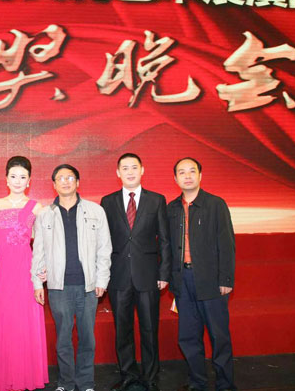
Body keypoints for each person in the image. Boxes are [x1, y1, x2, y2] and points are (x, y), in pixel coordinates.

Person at [31, 164, 112, 391]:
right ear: (54, 184)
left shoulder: (96, 211)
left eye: (70, 178)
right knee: (63, 338)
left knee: (87, 338)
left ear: (77, 182)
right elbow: (38, 252)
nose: (65, 182)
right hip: (58, 287)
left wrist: (102, 280)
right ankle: (66, 383)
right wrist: (37, 282)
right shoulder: (45, 215)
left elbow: (104, 249)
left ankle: (86, 382)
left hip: (88, 286)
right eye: (60, 178)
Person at [101, 153, 170, 391]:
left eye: (134, 167)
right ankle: (128, 375)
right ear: (117, 173)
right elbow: (103, 241)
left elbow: (165, 240)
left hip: (148, 275)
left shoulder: (156, 200)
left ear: (142, 170)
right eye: (125, 168)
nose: (130, 172)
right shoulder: (108, 201)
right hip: (118, 275)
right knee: (123, 329)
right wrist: (103, 274)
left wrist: (164, 273)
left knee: (150, 328)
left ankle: (150, 377)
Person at [167, 157, 236, 391]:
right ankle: (198, 383)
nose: (187, 176)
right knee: (188, 337)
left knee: (219, 336)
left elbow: (226, 243)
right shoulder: (171, 209)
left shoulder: (215, 204)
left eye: (192, 171)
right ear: (175, 178)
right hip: (182, 281)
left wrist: (226, 278)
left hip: (211, 280)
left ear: (200, 175)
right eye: (182, 172)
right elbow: (167, 247)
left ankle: (225, 384)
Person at [0, 156, 48, 391]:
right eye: (13, 176)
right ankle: (4, 374)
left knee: (24, 321)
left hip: (25, 272)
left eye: (23, 177)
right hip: (1, 272)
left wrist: (43, 269)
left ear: (29, 180)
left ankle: (26, 375)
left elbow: (43, 244)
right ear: (6, 179)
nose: (18, 181)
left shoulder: (37, 208)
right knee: (2, 320)